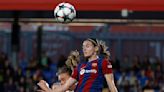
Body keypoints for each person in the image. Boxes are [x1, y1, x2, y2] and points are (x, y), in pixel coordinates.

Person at [38, 38, 118, 92]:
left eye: (87, 46)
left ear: (96, 48)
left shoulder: (103, 63)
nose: (84, 49)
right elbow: (65, 87)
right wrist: (47, 89)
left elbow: (111, 85)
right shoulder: (80, 66)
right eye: (83, 47)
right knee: (56, 86)